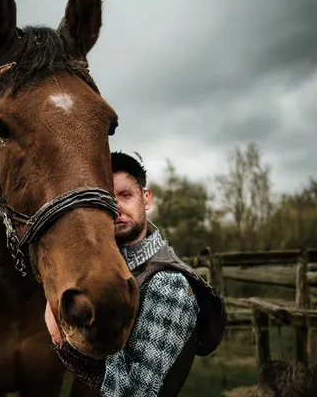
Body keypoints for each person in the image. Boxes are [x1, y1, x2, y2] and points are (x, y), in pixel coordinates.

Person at [45, 151, 227, 397]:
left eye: (125, 195)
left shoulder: (169, 284)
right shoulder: (98, 275)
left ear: (146, 199)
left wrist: (65, 342)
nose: (116, 207)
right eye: (106, 199)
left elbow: (133, 394)